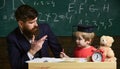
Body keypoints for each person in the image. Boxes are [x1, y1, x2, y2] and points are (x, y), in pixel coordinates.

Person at [7, 4, 62, 69]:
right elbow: (16, 66)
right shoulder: (12, 38)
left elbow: (58, 52)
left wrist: (63, 57)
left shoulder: (45, 28)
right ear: (21, 24)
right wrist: (32, 51)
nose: (36, 25)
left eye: (36, 20)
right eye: (31, 22)